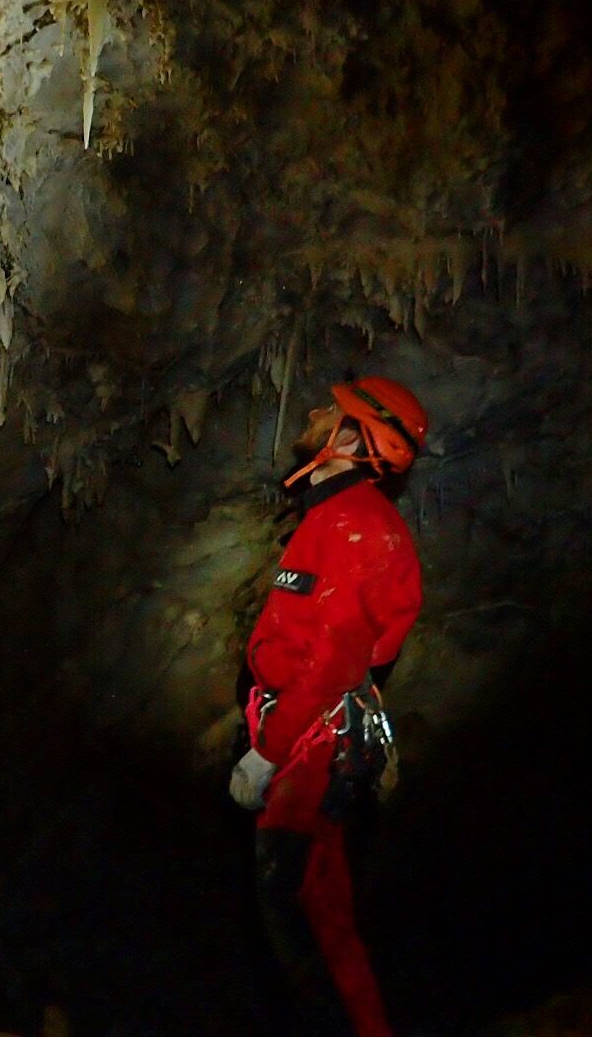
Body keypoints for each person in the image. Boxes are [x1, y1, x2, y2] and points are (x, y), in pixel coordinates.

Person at [229, 375, 428, 1037]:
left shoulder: (355, 528)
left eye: (331, 412)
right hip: (311, 737)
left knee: (298, 919)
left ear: (353, 438)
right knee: (321, 919)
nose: (315, 415)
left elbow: (336, 657)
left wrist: (269, 752)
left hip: (312, 745)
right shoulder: (337, 520)